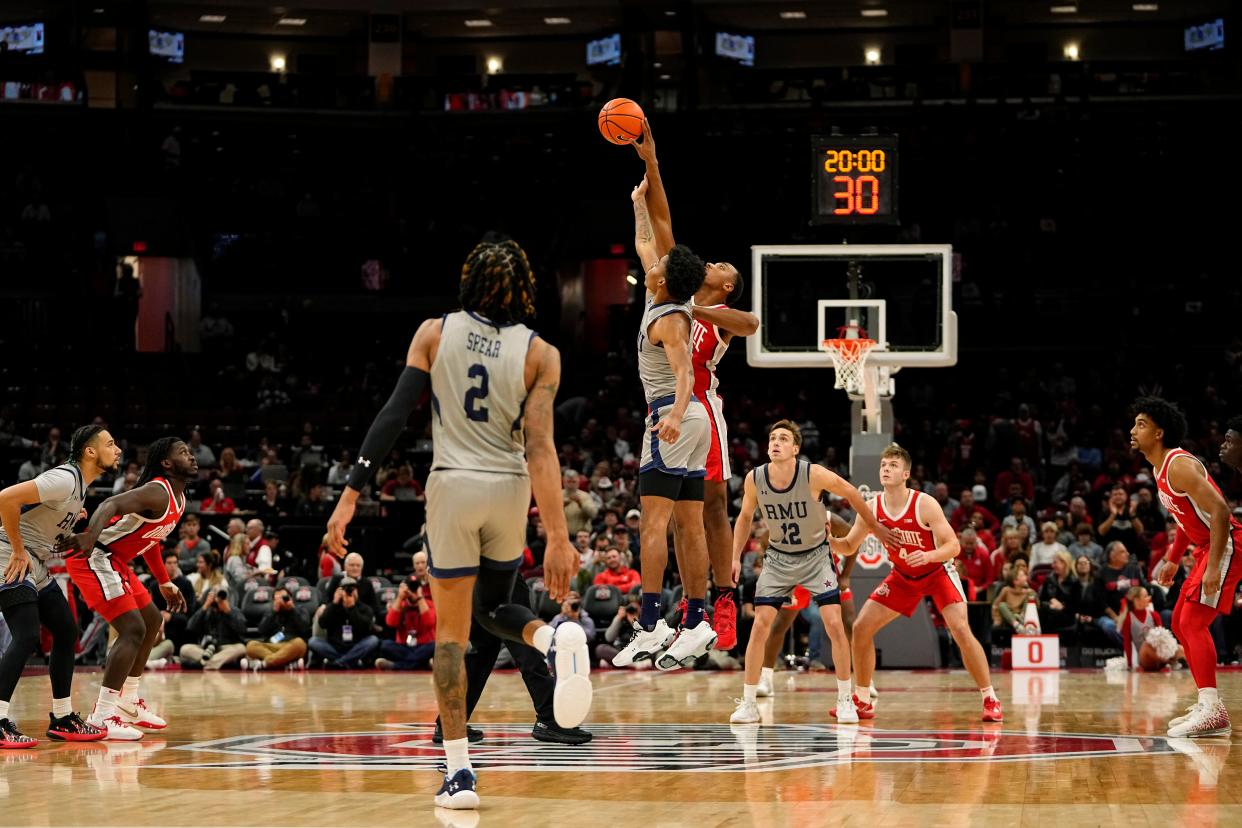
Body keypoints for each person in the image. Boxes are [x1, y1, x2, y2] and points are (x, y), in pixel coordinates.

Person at [325, 235, 588, 810]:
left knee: (452, 636)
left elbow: (393, 416)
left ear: (469, 280)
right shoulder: (542, 353)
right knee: (495, 608)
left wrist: (349, 495)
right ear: (523, 288)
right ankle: (551, 639)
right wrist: (560, 538)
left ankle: (460, 774)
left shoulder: (435, 331)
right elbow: (542, 448)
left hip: (453, 483)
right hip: (510, 487)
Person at [629, 117, 758, 653]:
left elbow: (751, 326)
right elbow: (659, 217)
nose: (711, 261)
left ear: (724, 283)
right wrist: (651, 161)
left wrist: (695, 305)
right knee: (681, 518)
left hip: (699, 407)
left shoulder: (716, 308)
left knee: (709, 506)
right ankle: (693, 611)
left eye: (720, 265)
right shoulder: (674, 284)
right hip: (677, 408)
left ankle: (721, 599)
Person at [611, 175, 716, 671]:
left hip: (673, 416)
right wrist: (638, 204)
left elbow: (682, 372)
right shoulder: (661, 293)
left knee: (653, 524)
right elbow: (645, 241)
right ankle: (696, 620)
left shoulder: (669, 319)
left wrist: (672, 414)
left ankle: (651, 623)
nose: (652, 264)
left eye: (660, 266)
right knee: (689, 524)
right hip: (696, 424)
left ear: (664, 280)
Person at [727, 421, 896, 725]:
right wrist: (735, 556)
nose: (775, 442)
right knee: (762, 625)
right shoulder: (755, 478)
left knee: (834, 623)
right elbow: (744, 517)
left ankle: (845, 700)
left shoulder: (812, 473)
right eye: (772, 438)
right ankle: (749, 701)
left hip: (816, 557)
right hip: (779, 559)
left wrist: (876, 526)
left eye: (783, 438)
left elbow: (852, 493)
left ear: (795, 448)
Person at [834, 443, 1003, 723]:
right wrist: (826, 540)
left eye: (893, 466)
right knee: (861, 627)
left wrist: (928, 554)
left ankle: (990, 697)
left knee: (960, 629)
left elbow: (953, 547)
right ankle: (862, 700)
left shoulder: (924, 503)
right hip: (902, 577)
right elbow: (850, 545)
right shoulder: (873, 507)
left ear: (906, 474)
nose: (886, 469)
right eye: (883, 465)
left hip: (937, 573)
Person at [58, 437, 195, 739]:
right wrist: (91, 535)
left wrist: (164, 581)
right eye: (184, 452)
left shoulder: (178, 499)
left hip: (117, 561)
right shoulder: (156, 491)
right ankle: (102, 716)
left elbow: (151, 542)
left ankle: (127, 701)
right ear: (167, 463)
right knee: (132, 628)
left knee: (152, 621)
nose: (193, 456)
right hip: (94, 556)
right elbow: (111, 502)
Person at [0, 426, 112, 748]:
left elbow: (43, 518)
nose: (117, 449)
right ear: (90, 452)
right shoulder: (66, 478)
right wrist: (20, 549)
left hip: (36, 561)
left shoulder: (78, 490)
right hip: (11, 554)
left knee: (66, 629)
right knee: (27, 635)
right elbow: (6, 498)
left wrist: (70, 519)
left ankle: (63, 717)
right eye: (110, 443)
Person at [1138, 397, 1241, 737]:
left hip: (1225, 545)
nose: (1132, 430)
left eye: (1141, 424)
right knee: (1181, 623)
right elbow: (1185, 521)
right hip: (1206, 547)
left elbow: (1222, 512)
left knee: (1192, 622)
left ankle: (1212, 708)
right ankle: (1205, 702)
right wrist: (1171, 557)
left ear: (1159, 432)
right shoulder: (1159, 469)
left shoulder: (1179, 465)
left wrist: (1213, 567)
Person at [309, 576, 380, 669]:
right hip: (334, 647)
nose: (350, 593)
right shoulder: (332, 607)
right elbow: (323, 624)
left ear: (357, 592)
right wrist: (334, 603)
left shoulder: (365, 608)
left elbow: (365, 628)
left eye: (353, 590)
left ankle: (339, 662)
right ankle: (351, 661)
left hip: (356, 646)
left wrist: (352, 608)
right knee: (313, 641)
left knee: (373, 640)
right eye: (346, 590)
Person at [242, 587, 309, 671]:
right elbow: (262, 631)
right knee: (251, 646)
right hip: (272, 645)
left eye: (284, 598)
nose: (281, 601)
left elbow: (304, 629)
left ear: (290, 598)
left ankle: (264, 664)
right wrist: (274, 612)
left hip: (291, 645)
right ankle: (285, 664)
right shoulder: (270, 612)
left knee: (300, 644)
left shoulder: (300, 610)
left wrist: (292, 610)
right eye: (277, 599)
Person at [376, 576, 435, 670]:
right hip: (404, 646)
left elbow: (430, 623)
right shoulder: (400, 604)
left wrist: (420, 598)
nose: (412, 592)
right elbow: (390, 623)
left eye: (415, 588)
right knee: (385, 645)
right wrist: (400, 597)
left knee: (435, 646)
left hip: (424, 646)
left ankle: (396, 666)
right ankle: (423, 664)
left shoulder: (428, 604)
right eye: (410, 589)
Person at [181, 588, 247, 669]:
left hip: (226, 648)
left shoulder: (234, 610)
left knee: (241, 648)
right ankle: (217, 663)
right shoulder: (206, 610)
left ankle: (203, 663)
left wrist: (228, 612)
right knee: (185, 649)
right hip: (206, 649)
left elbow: (242, 630)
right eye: (214, 595)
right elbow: (190, 627)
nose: (217, 599)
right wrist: (205, 606)